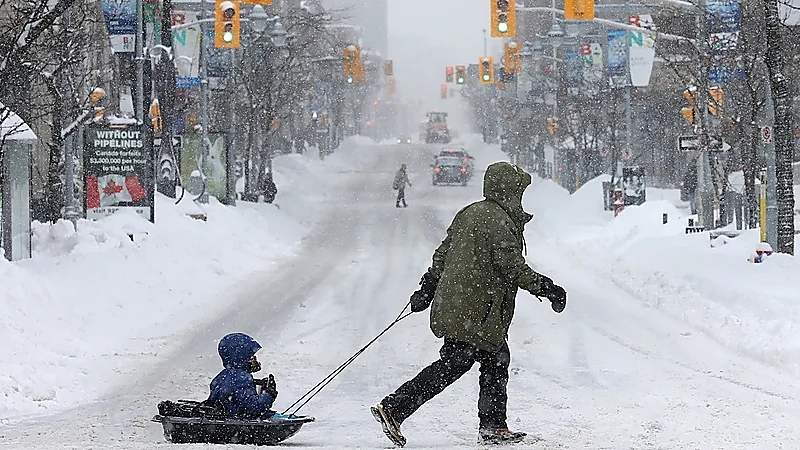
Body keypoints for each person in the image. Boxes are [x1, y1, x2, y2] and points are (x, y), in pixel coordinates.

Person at [371, 162, 568, 447]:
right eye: (519, 190)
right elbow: (512, 267)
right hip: (476, 311)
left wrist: (427, 289)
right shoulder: (499, 221)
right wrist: (549, 289)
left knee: (489, 360)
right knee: (467, 362)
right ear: (509, 190)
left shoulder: (469, 212)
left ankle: (490, 425)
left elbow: (442, 255)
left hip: (461, 306)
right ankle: (395, 408)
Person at [207, 332, 279, 419]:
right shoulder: (242, 378)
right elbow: (253, 408)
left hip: (225, 419)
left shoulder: (222, 376)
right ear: (243, 357)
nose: (255, 359)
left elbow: (233, 397)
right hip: (238, 423)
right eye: (252, 356)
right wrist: (269, 395)